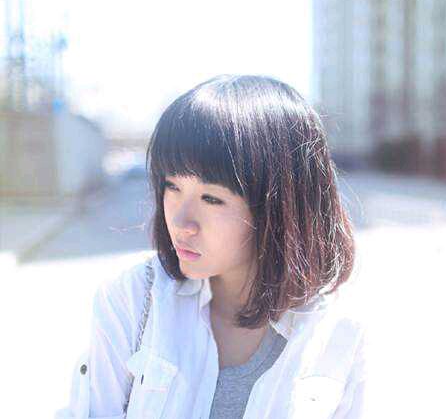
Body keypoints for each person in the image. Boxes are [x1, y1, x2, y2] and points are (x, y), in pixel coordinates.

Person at [55, 74, 369, 418]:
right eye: (172, 187)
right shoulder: (135, 299)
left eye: (211, 198)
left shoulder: (337, 332)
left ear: (278, 207)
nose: (181, 222)